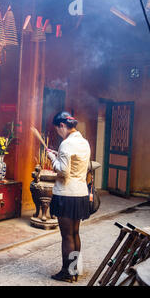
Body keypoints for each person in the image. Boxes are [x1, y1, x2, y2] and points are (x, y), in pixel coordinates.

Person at [47, 111, 91, 283]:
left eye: (58, 129)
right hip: (80, 193)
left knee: (66, 236)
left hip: (66, 194)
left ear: (62, 126)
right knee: (75, 233)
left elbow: (63, 172)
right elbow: (82, 166)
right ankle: (74, 271)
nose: (58, 132)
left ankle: (66, 273)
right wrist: (59, 156)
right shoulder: (84, 142)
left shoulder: (66, 144)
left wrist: (52, 157)